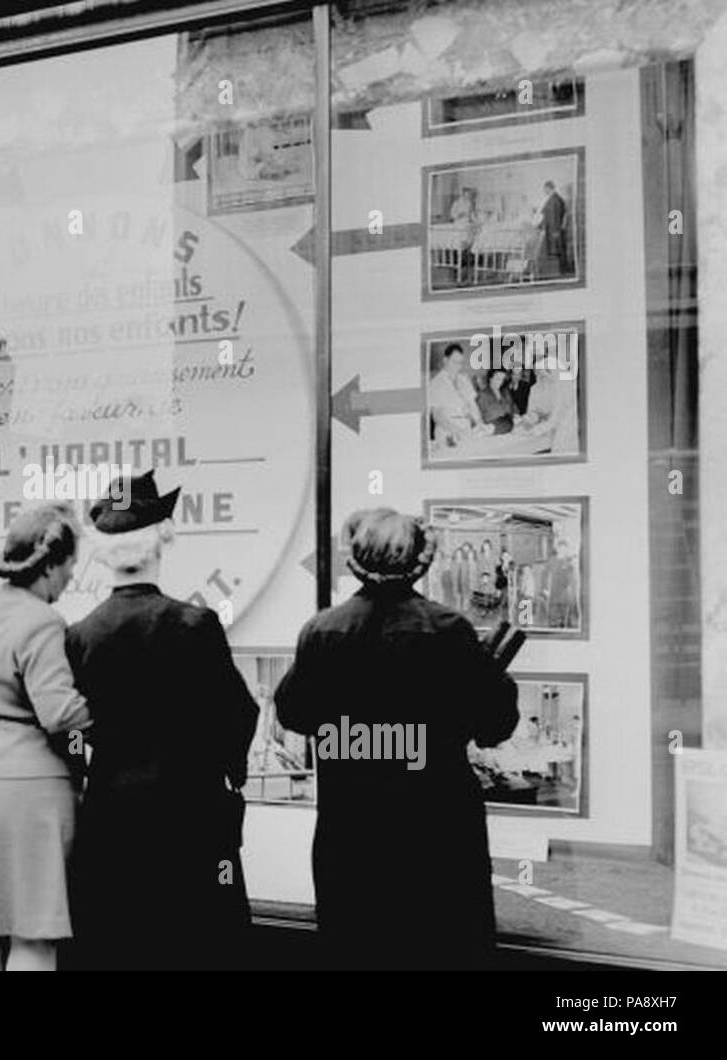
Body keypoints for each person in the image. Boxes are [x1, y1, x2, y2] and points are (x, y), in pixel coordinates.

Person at [274, 508, 518, 970]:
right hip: (438, 836)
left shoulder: (322, 631)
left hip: (351, 833)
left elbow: (294, 713)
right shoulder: (449, 632)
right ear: (421, 563)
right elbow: (494, 726)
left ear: (356, 561)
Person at [66, 470, 259, 970]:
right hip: (191, 812)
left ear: (104, 550)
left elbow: (69, 727)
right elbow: (238, 713)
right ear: (163, 538)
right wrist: (230, 771)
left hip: (110, 816)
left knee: (119, 942)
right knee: (198, 940)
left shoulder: (81, 635)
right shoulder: (195, 625)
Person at [0, 503, 92, 972]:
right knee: (34, 935)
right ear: (50, 565)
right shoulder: (44, 623)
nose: (71, 576)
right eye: (69, 564)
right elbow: (59, 713)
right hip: (33, 793)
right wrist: (117, 709)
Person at [428, 344, 486, 449]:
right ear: (445, 360)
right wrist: (456, 431)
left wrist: (479, 422)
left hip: (467, 429)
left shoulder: (464, 379)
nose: (458, 366)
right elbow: (437, 416)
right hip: (447, 432)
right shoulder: (436, 383)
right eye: (455, 362)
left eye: (460, 363)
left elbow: (472, 405)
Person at [476, 368, 516, 435]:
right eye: (497, 378)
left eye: (502, 379)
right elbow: (484, 417)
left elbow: (511, 410)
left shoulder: (504, 393)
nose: (500, 381)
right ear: (491, 378)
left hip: (507, 425)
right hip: (493, 426)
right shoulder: (482, 395)